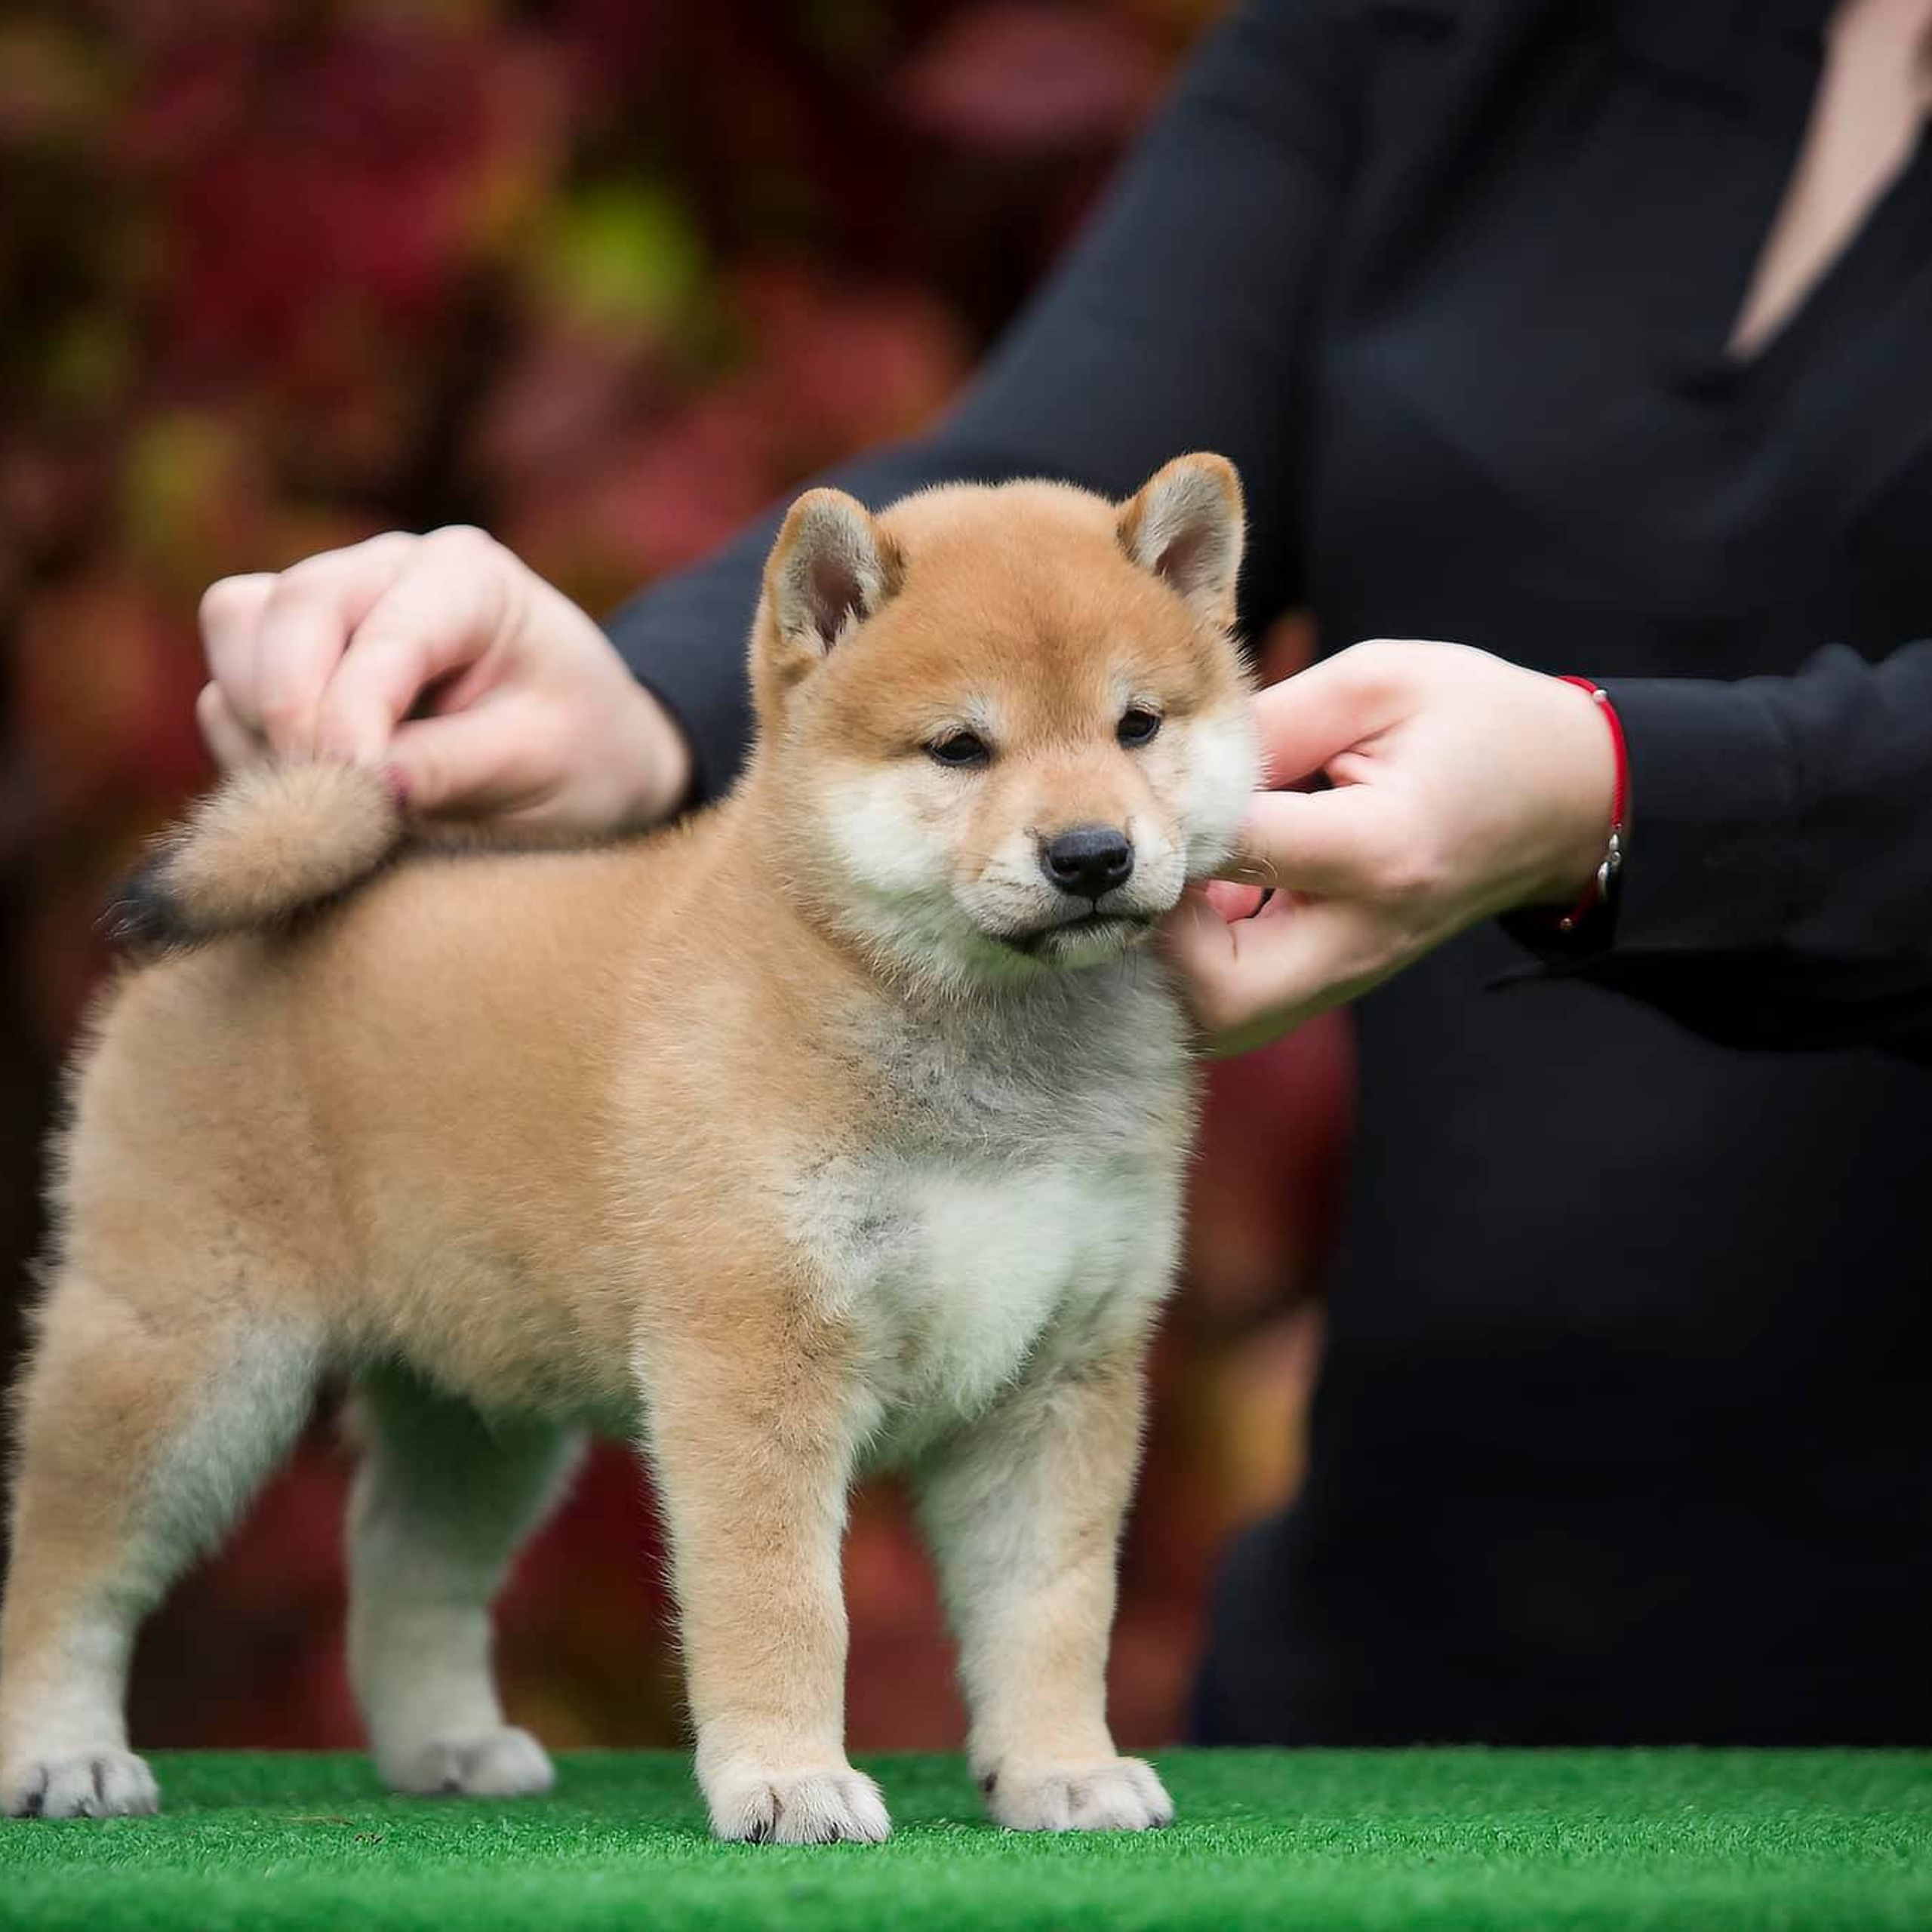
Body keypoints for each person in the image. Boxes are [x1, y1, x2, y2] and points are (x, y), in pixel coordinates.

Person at [190, 0, 1932, 1745]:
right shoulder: (1441, 34)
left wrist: (1632, 792)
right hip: (1408, 1599)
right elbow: (1026, 502)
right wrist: (647, 709)